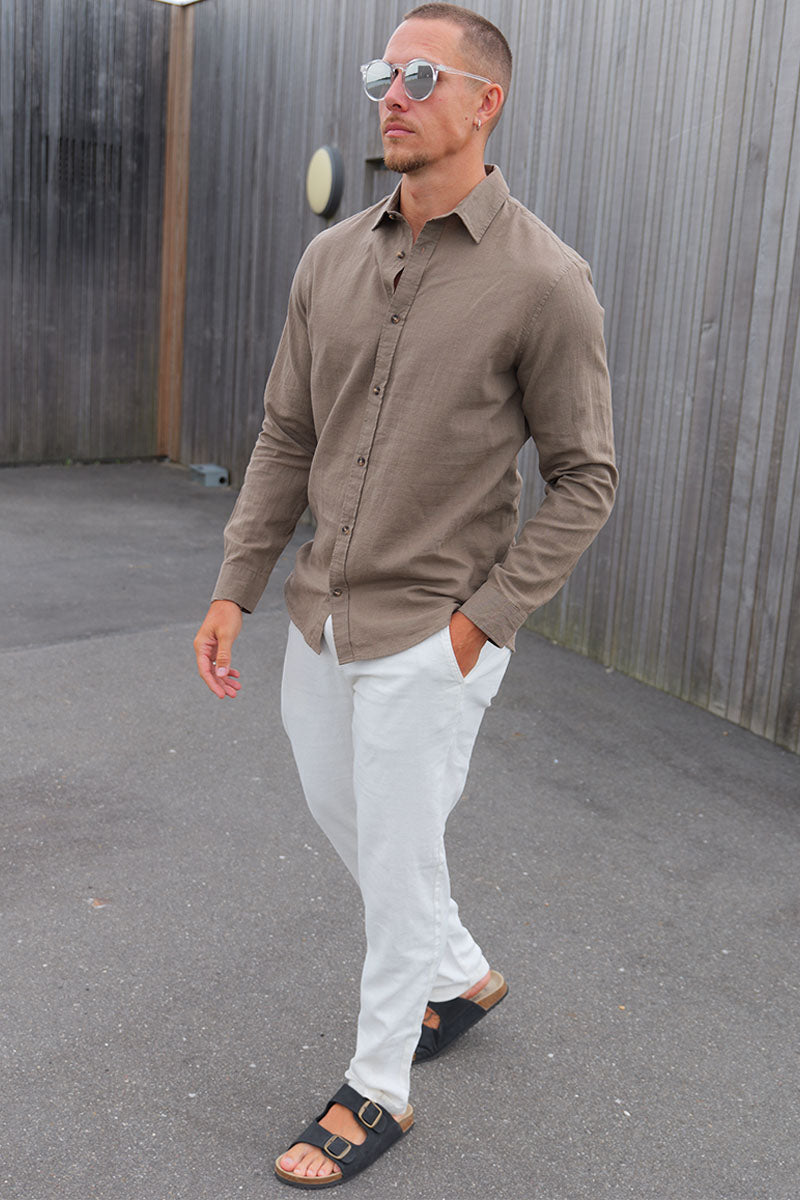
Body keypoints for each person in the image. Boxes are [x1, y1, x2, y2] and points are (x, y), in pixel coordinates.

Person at [193, 2, 617, 1188]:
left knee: (391, 856)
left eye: (420, 75)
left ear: (486, 103)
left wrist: (481, 625)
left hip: (433, 629)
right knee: (352, 816)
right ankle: (460, 974)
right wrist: (237, 584)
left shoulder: (545, 281)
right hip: (319, 610)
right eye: (382, 71)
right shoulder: (329, 260)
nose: (391, 92)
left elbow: (585, 478)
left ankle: (377, 1086)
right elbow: (285, 434)